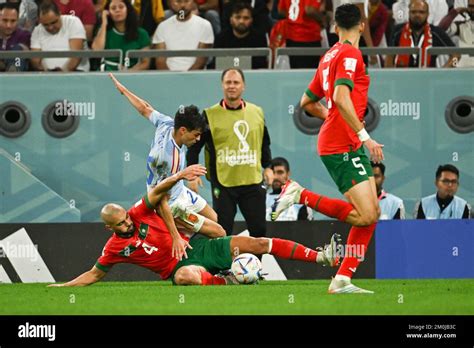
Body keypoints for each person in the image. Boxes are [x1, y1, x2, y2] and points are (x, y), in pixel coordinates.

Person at [47, 164, 342, 287]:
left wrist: (179, 176)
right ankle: (229, 280)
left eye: (125, 216)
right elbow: (94, 274)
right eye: (120, 223)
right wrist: (66, 285)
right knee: (185, 277)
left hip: (199, 245)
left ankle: (321, 257)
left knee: (257, 242)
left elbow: (155, 192)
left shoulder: (138, 213)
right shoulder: (114, 247)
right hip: (178, 267)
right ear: (110, 228)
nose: (127, 222)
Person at [274, 3, 384, 294]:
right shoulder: (350, 53)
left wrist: (334, 118)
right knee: (366, 215)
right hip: (342, 142)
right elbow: (340, 95)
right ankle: (300, 194)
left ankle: (342, 279)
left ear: (334, 27)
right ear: (362, 25)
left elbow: (307, 103)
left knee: (371, 213)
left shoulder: (328, 55)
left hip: (343, 138)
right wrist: (364, 135)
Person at [109, 74, 225, 255]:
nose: (198, 139)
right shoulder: (164, 159)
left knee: (216, 219)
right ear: (183, 131)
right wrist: (175, 236)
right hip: (170, 203)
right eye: (195, 135)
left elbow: (145, 108)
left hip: (180, 189)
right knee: (218, 232)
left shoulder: (167, 123)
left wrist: (124, 91)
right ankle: (188, 254)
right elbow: (161, 199)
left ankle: (190, 247)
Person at [186, 68, 273, 239]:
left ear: (243, 86)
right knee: (222, 231)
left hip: (252, 181)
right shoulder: (209, 115)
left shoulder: (257, 112)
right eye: (228, 82)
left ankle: (257, 266)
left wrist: (268, 166)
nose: (232, 86)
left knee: (259, 230)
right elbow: (194, 147)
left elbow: (264, 141)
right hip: (223, 183)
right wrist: (192, 174)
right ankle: (223, 266)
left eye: (236, 82)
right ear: (222, 85)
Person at [385, 0, 459, 68]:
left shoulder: (436, 32)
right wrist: (390, 76)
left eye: (421, 12)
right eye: (413, 12)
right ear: (409, 13)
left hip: (429, 79)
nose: (417, 15)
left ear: (428, 14)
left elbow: (456, 55)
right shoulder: (397, 31)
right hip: (403, 77)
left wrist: (444, 71)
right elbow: (389, 55)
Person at [152, 0, 214, 71]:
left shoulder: (205, 25)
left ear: (193, 2)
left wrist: (186, 78)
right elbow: (160, 61)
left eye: (186, 1)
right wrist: (170, 78)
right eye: (178, 1)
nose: (182, 5)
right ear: (170, 3)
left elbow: (201, 61)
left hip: (195, 77)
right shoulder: (162, 27)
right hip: (168, 76)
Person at [30, 0, 90, 71]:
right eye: (45, 25)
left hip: (76, 73)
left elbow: (76, 57)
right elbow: (35, 61)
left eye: (53, 22)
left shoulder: (73, 22)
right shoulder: (37, 30)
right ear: (40, 21)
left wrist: (61, 74)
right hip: (48, 76)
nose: (50, 27)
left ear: (59, 14)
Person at [92, 0, 151, 71]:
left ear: (128, 10)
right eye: (113, 8)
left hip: (132, 74)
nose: (117, 10)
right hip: (107, 73)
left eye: (121, 7)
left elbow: (145, 63)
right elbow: (97, 51)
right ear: (108, 12)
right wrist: (104, 23)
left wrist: (127, 73)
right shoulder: (104, 31)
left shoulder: (141, 33)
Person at [213, 1, 268, 69]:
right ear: (231, 19)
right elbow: (215, 64)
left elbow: (261, 66)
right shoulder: (221, 38)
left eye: (246, 18)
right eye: (238, 17)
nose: (241, 21)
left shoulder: (259, 39)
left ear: (251, 20)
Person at [277, 0, 326, 68]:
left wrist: (294, 19)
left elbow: (281, 10)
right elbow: (310, 10)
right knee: (310, 73)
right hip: (309, 36)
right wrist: (324, 20)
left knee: (296, 70)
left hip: (291, 36)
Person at [266, 157, 313, 221]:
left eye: (280, 172)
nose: (276, 177)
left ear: (288, 174)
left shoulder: (300, 202)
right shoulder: (261, 201)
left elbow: (306, 229)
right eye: (273, 173)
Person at [0, 3, 31, 72]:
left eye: (13, 21)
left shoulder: (24, 35)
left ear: (18, 20)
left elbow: (26, 55)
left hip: (18, 70)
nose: (9, 25)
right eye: (5, 20)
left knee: (18, 50)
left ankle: (14, 70)